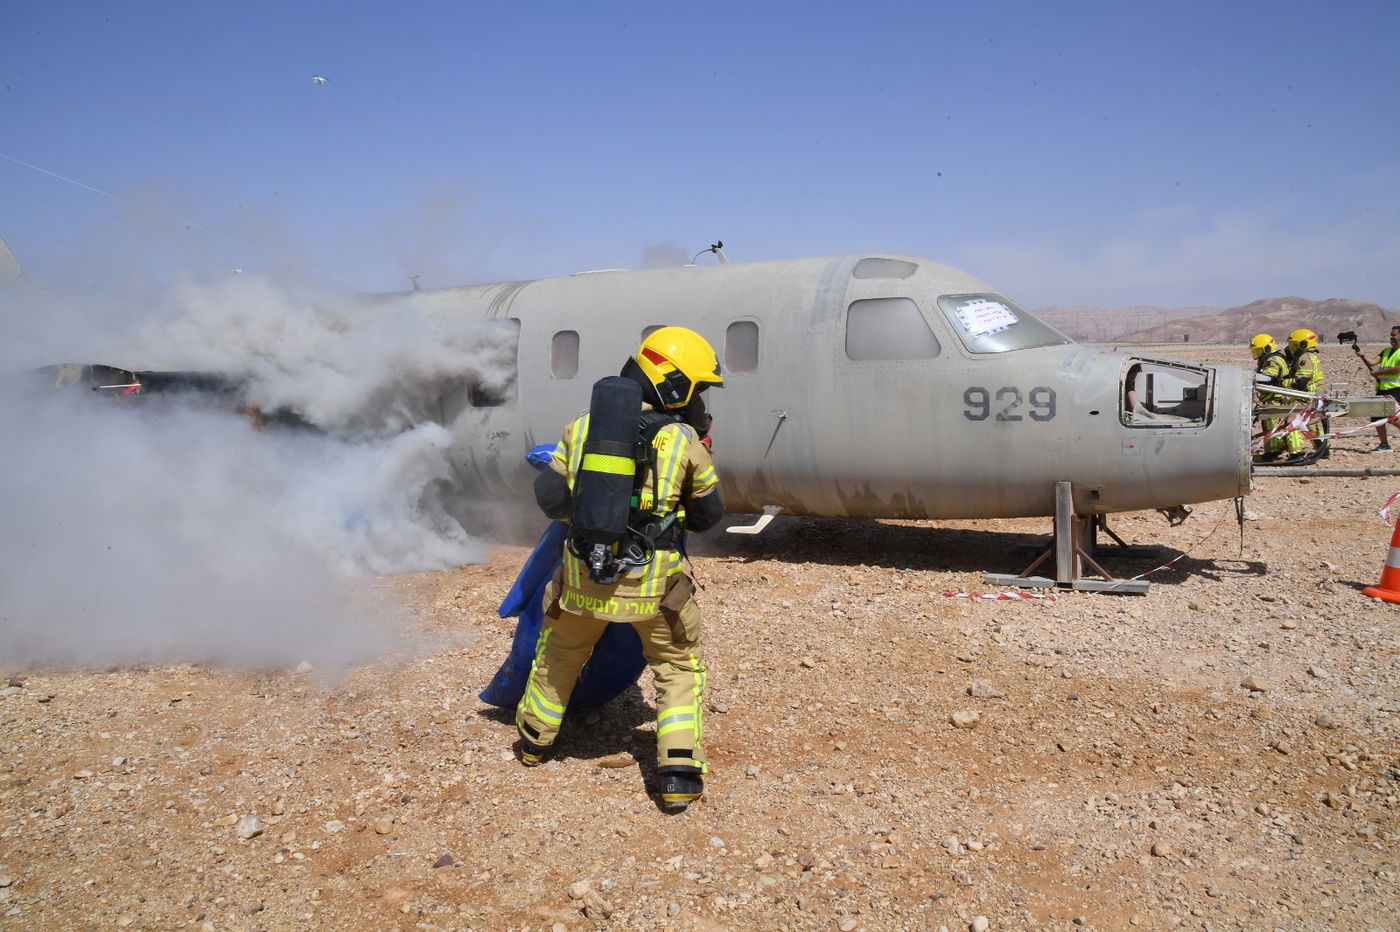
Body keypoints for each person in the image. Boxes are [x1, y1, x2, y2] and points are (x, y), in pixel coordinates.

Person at [516, 326, 724, 810]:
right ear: (675, 385)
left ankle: (533, 742)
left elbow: (549, 499)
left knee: (560, 654)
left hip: (582, 580)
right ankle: (677, 774)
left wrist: (592, 517)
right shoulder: (684, 439)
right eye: (698, 388)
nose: (700, 400)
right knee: (676, 667)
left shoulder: (582, 427)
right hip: (655, 591)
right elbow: (709, 514)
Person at [1355, 325, 1400, 452]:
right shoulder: (1387, 350)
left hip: (1396, 389)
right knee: (1375, 416)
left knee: (1391, 415)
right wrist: (1362, 356)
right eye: (1391, 335)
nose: (1391, 337)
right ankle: (1384, 444)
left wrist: (1378, 374)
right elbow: (1373, 362)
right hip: (1382, 388)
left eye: (1394, 335)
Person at [1283, 328, 1326, 462]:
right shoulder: (1311, 356)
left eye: (1294, 345)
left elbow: (1300, 381)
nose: (1291, 349)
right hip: (1312, 396)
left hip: (1305, 396)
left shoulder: (1304, 358)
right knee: (1312, 424)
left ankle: (1296, 453)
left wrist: (1283, 382)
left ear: (1303, 344)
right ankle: (1323, 449)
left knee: (1292, 421)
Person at [1250, 333, 1290, 462]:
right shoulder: (1267, 359)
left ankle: (1273, 453)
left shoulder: (1272, 360)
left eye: (1258, 350)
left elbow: (1269, 379)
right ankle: (1277, 449)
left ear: (1266, 349)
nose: (1256, 353)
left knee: (1271, 424)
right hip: (1273, 398)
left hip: (1275, 399)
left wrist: (1248, 377)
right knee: (1271, 425)